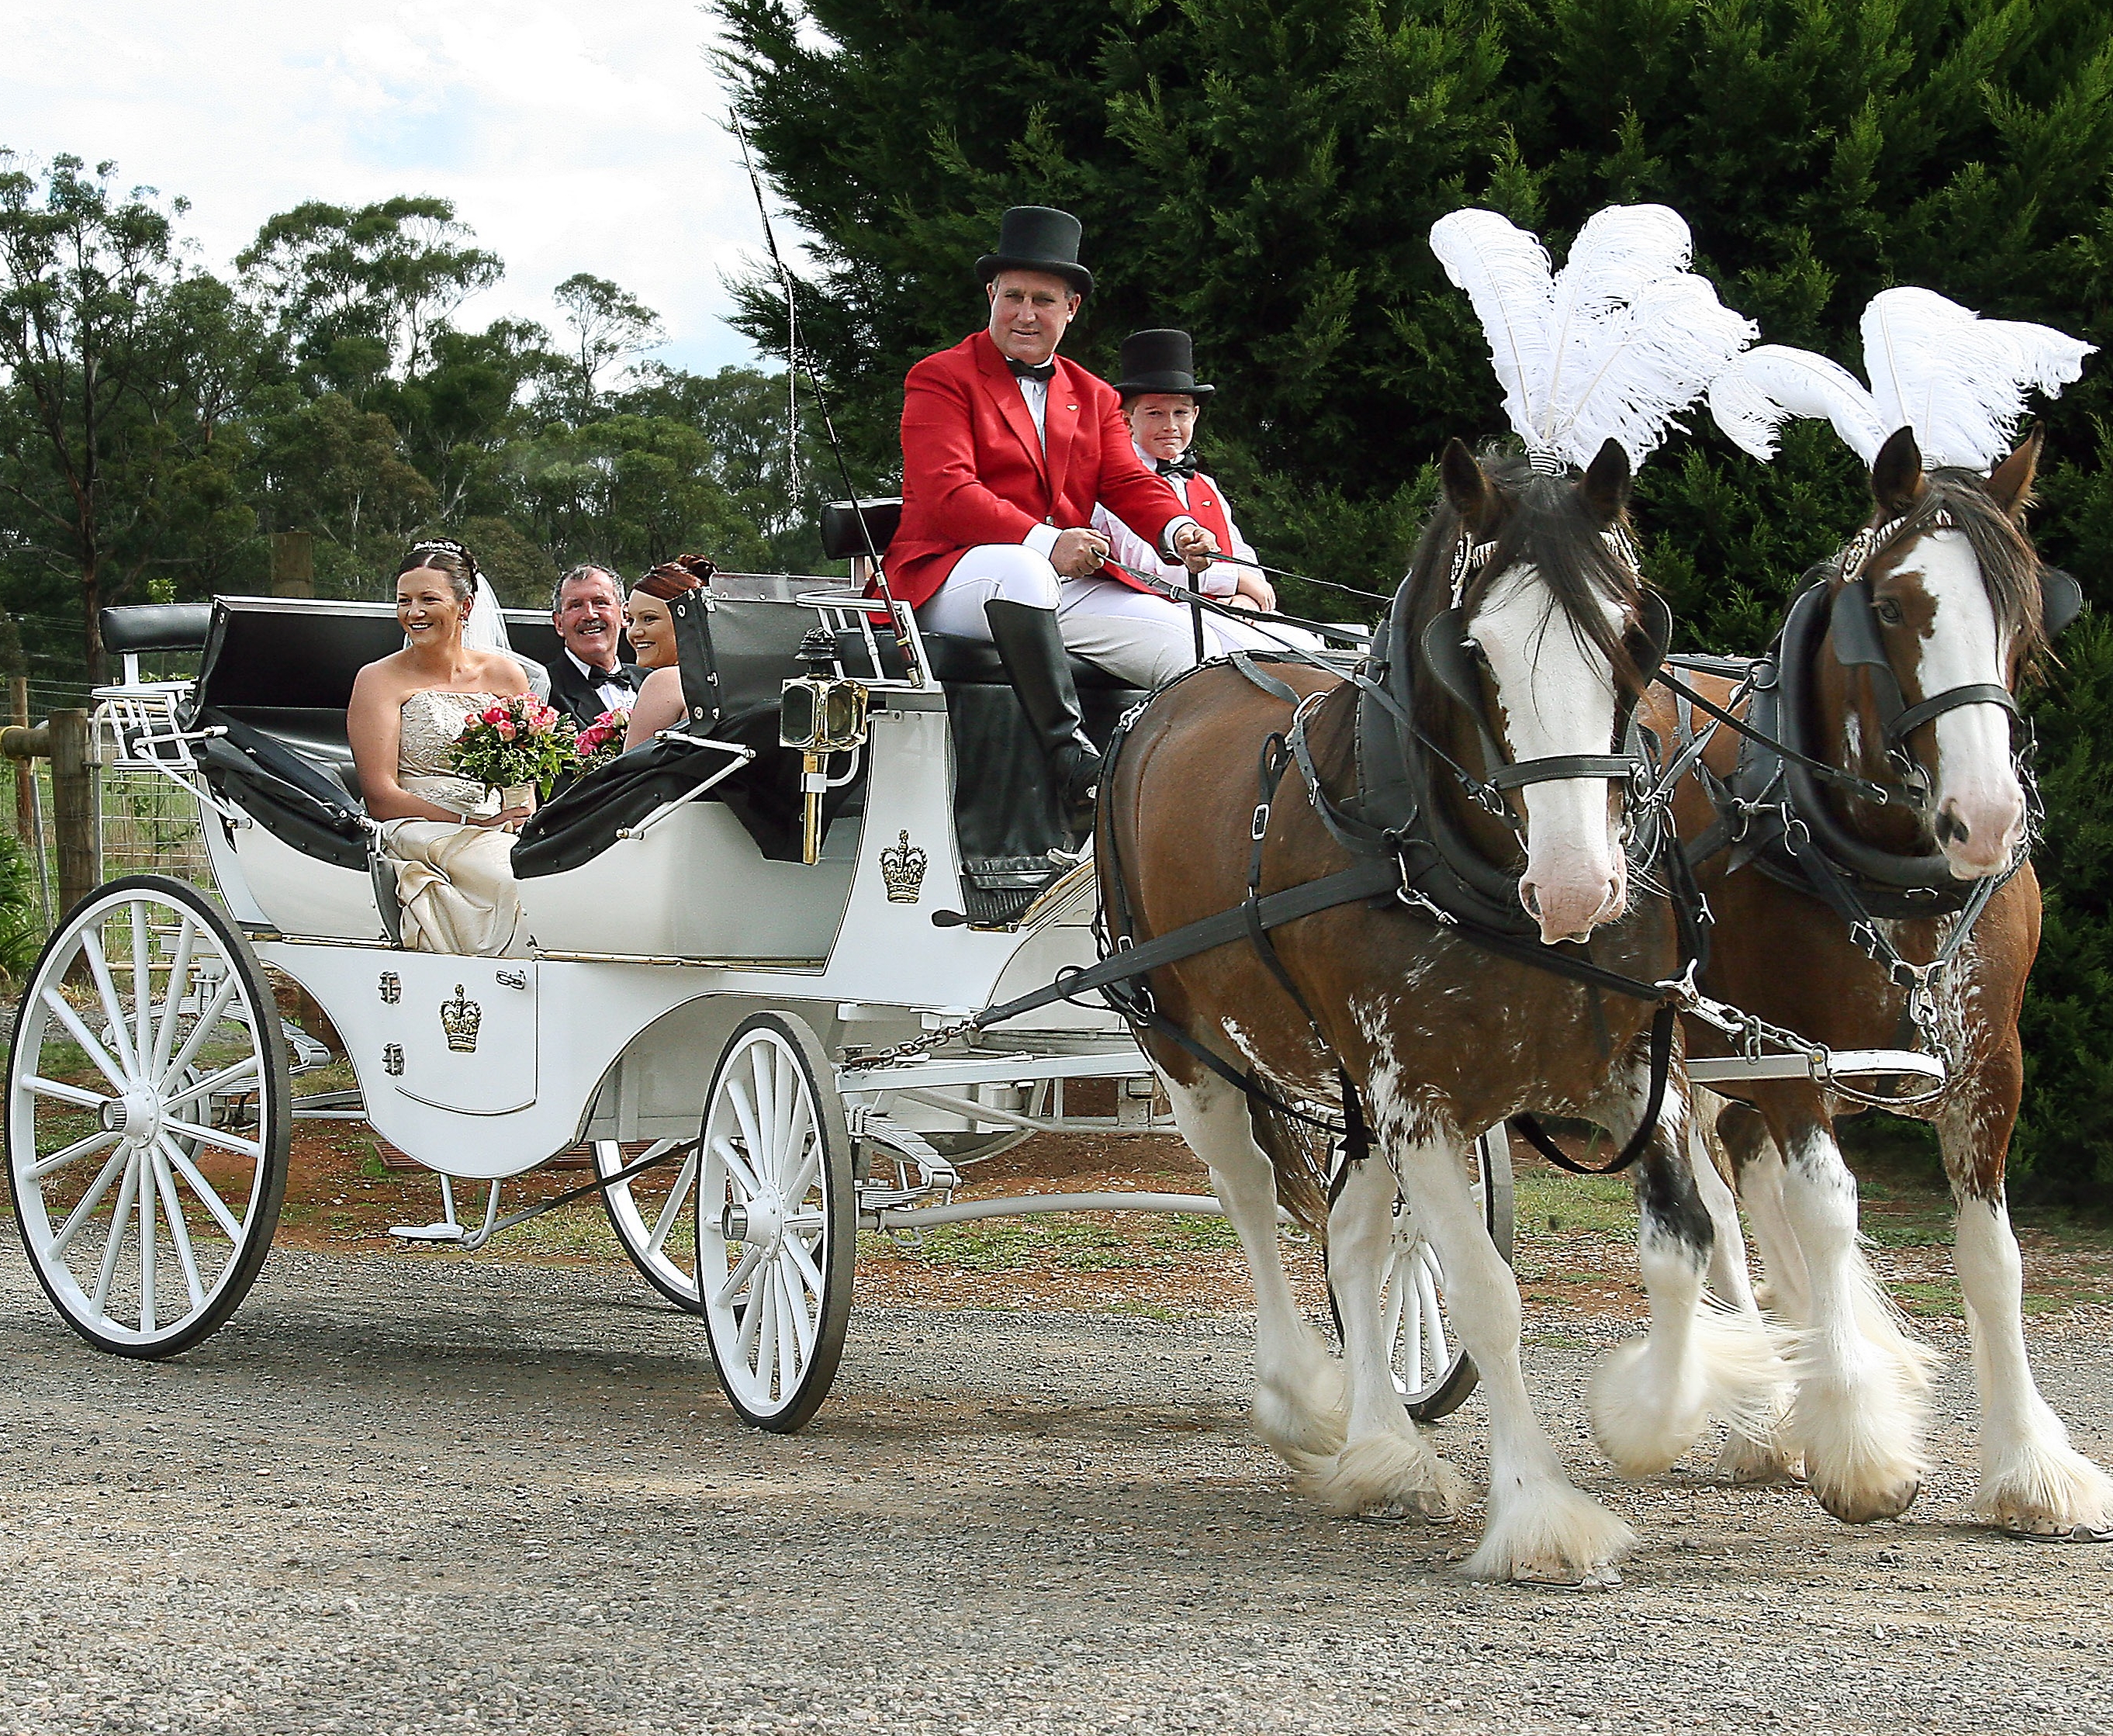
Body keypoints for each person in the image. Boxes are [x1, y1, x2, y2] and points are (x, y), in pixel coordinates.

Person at [888, 206, 1223, 819]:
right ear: (991, 295)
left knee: (1195, 647)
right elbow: (947, 493)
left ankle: (1186, 807)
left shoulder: (1093, 394)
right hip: (953, 576)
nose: (1025, 313)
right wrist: (1046, 543)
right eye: (1012, 295)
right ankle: (1071, 761)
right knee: (1023, 571)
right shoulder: (940, 377)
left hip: (1058, 580)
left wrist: (1179, 528)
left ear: (1070, 309)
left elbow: (1126, 481)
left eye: (1043, 299)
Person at [348, 540, 531, 956]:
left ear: (465, 607)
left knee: (557, 873)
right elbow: (380, 797)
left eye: (429, 599)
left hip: (499, 824)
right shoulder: (378, 680)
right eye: (404, 601)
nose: (414, 613)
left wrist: (519, 813)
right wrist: (470, 820)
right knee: (508, 878)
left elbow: (525, 767)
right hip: (418, 827)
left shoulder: (506, 675)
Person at [621, 555, 716, 751]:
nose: (634, 632)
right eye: (631, 621)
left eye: (649, 618)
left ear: (688, 620)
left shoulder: (665, 681)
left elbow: (627, 776)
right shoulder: (732, 681)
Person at [545, 565, 645, 727]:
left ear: (625, 615)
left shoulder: (652, 682)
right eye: (576, 605)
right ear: (559, 624)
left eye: (600, 602)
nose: (590, 615)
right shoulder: (543, 688)